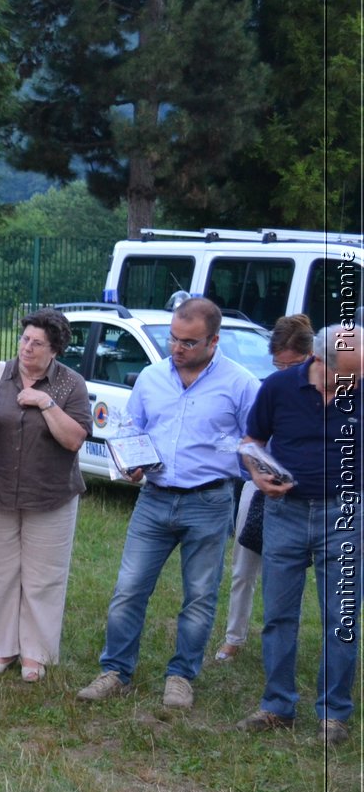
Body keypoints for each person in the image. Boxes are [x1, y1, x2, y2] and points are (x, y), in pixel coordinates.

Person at [77, 298, 260, 710]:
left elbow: (255, 442)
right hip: (154, 498)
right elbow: (131, 429)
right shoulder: (152, 376)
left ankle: (180, 677)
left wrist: (248, 465)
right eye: (174, 339)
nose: (178, 348)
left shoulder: (241, 383)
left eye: (189, 342)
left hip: (210, 501)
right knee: (128, 589)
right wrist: (130, 464)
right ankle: (116, 670)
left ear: (214, 340)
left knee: (199, 595)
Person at [234, 323, 361, 745]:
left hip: (344, 515)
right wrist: (258, 474)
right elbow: (252, 440)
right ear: (317, 359)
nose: (353, 383)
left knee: (340, 618)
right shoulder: (279, 387)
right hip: (284, 512)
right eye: (346, 375)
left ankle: (334, 714)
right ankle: (277, 706)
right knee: (278, 615)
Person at [0, 308, 91, 683]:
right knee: (0, 574)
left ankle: (35, 654)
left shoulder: (70, 384)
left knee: (43, 577)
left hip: (51, 495)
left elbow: (73, 439)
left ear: (55, 350)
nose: (27, 348)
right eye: (25, 339)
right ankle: (1, 649)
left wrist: (45, 403)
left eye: (38, 343)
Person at [214, 313, 314, 662]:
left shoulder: (324, 389)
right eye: (278, 365)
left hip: (307, 496)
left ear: (311, 355)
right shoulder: (270, 388)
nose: (285, 372)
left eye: (294, 364)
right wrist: (257, 473)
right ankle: (233, 638)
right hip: (259, 488)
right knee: (244, 567)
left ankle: (287, 640)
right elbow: (249, 441)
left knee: (291, 573)